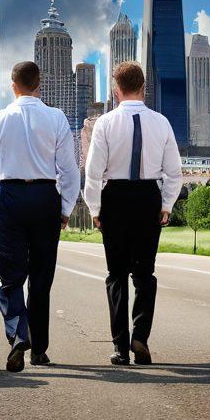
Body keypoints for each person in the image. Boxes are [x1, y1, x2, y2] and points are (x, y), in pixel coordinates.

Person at [0, 60, 80, 372]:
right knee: (41, 278)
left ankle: (18, 336)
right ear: (39, 84)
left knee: (11, 278)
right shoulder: (56, 118)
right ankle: (39, 350)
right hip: (46, 197)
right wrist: (65, 208)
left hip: (9, 197)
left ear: (13, 85)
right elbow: (69, 170)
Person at [83, 60, 182, 366]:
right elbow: (174, 172)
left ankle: (120, 347)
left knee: (116, 275)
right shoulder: (161, 123)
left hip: (115, 197)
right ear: (143, 88)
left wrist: (95, 208)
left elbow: (93, 172)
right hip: (148, 198)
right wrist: (166, 205)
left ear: (117, 89)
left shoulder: (105, 123)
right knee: (144, 274)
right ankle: (140, 336)